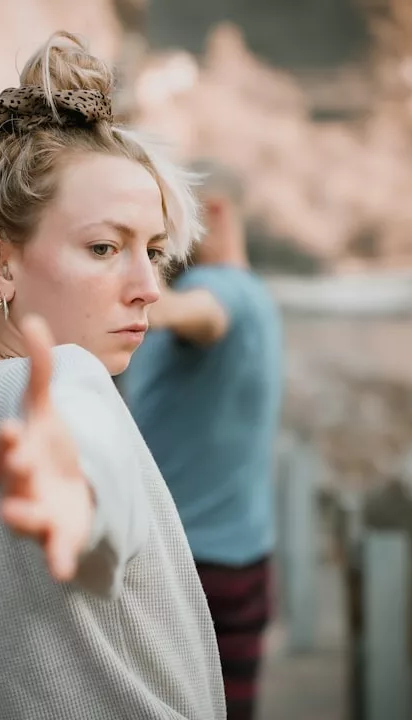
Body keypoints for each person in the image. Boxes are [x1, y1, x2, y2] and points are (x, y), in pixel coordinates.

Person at [0, 32, 225, 719]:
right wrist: (80, 496)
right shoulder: (66, 380)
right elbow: (87, 459)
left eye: (152, 251)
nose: (147, 287)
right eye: (103, 247)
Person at [122, 160, 284, 719]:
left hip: (191, 572)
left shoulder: (217, 291)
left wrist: (117, 289)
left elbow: (201, 315)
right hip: (243, 562)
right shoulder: (259, 297)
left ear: (211, 213)